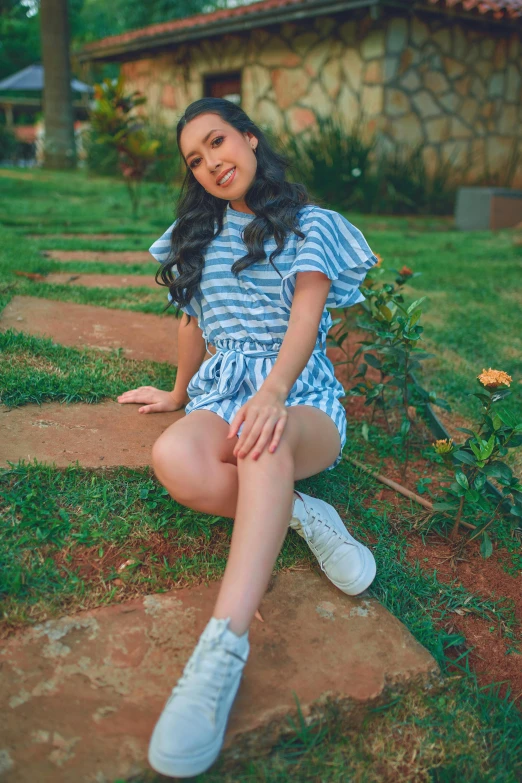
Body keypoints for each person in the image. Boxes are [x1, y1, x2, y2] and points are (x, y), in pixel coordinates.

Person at [117, 97, 378, 779]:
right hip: (224, 396)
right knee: (173, 453)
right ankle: (302, 516)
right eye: (196, 160)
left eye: (218, 142)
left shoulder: (309, 226)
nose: (210, 163)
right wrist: (178, 395)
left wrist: (271, 396)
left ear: (251, 139)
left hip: (301, 402)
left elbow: (304, 321)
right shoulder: (193, 235)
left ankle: (220, 651)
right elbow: (191, 325)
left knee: (264, 439)